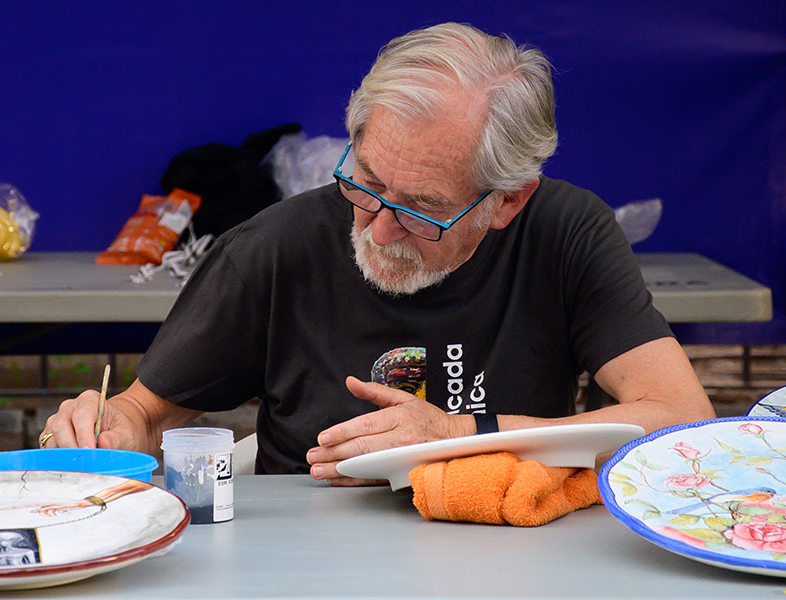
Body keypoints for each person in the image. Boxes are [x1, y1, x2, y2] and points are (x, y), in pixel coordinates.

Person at [40, 23, 715, 485]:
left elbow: (683, 418)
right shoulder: (276, 247)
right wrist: (109, 426)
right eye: (366, 184)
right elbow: (146, 413)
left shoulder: (564, 232)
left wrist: (457, 434)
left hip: (509, 546)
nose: (380, 230)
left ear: (508, 201)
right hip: (309, 558)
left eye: (421, 209)